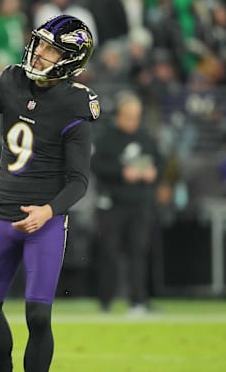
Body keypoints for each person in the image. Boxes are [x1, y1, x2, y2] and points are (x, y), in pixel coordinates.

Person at [0, 14, 99, 372]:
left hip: (44, 220)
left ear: (71, 59)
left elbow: (78, 180)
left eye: (51, 49)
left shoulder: (75, 104)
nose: (39, 52)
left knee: (38, 315)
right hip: (2, 212)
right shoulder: (12, 80)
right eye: (40, 43)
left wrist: (48, 210)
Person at [91, 91, 162, 316]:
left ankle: (139, 301)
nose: (133, 121)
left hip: (139, 204)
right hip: (113, 205)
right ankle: (106, 301)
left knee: (138, 253)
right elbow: (96, 166)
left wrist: (154, 173)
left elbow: (159, 162)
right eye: (128, 116)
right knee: (109, 253)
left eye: (136, 116)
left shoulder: (146, 137)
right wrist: (122, 173)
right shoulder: (106, 138)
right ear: (119, 115)